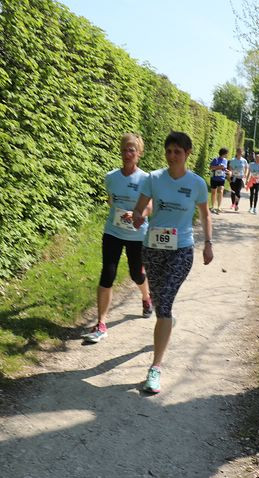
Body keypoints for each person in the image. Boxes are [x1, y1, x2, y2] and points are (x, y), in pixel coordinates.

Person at [131, 131, 213, 394]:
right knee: (160, 305)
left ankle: (155, 368)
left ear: (187, 153)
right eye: (169, 151)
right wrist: (137, 216)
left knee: (163, 305)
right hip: (153, 248)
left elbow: (205, 215)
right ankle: (166, 320)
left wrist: (208, 244)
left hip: (181, 250)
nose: (172, 156)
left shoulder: (197, 183)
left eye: (177, 151)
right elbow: (140, 207)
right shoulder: (153, 179)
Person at [82, 133, 154, 344]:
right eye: (124, 149)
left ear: (139, 154)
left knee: (136, 274)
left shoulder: (145, 179)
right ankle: (101, 323)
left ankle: (146, 297)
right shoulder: (111, 177)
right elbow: (111, 200)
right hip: (113, 231)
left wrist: (139, 214)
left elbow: (150, 206)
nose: (127, 154)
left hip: (137, 234)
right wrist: (120, 213)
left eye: (131, 150)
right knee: (108, 273)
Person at [208, 147, 229, 214]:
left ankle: (219, 207)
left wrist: (228, 171)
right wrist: (218, 167)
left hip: (222, 178)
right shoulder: (215, 159)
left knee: (221, 190)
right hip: (214, 178)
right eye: (226, 153)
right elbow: (210, 168)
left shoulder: (226, 160)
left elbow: (225, 169)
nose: (227, 155)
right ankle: (212, 206)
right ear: (224, 153)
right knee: (214, 192)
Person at [227, 148, 248, 212]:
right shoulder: (233, 160)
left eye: (240, 152)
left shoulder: (244, 160)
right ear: (236, 152)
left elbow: (246, 167)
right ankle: (233, 203)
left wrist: (245, 174)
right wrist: (229, 175)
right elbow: (230, 169)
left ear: (242, 153)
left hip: (239, 178)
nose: (239, 153)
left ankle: (236, 205)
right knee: (233, 191)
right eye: (238, 152)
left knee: (238, 193)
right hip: (233, 178)